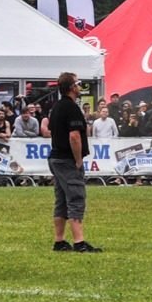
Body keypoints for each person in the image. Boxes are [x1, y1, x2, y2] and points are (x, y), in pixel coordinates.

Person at [48, 73, 100, 252]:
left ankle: (59, 240)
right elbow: (74, 136)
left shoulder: (56, 107)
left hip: (55, 157)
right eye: (78, 84)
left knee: (61, 200)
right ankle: (79, 242)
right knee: (76, 198)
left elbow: (50, 131)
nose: (80, 86)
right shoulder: (71, 108)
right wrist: (78, 159)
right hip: (67, 159)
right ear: (72, 88)